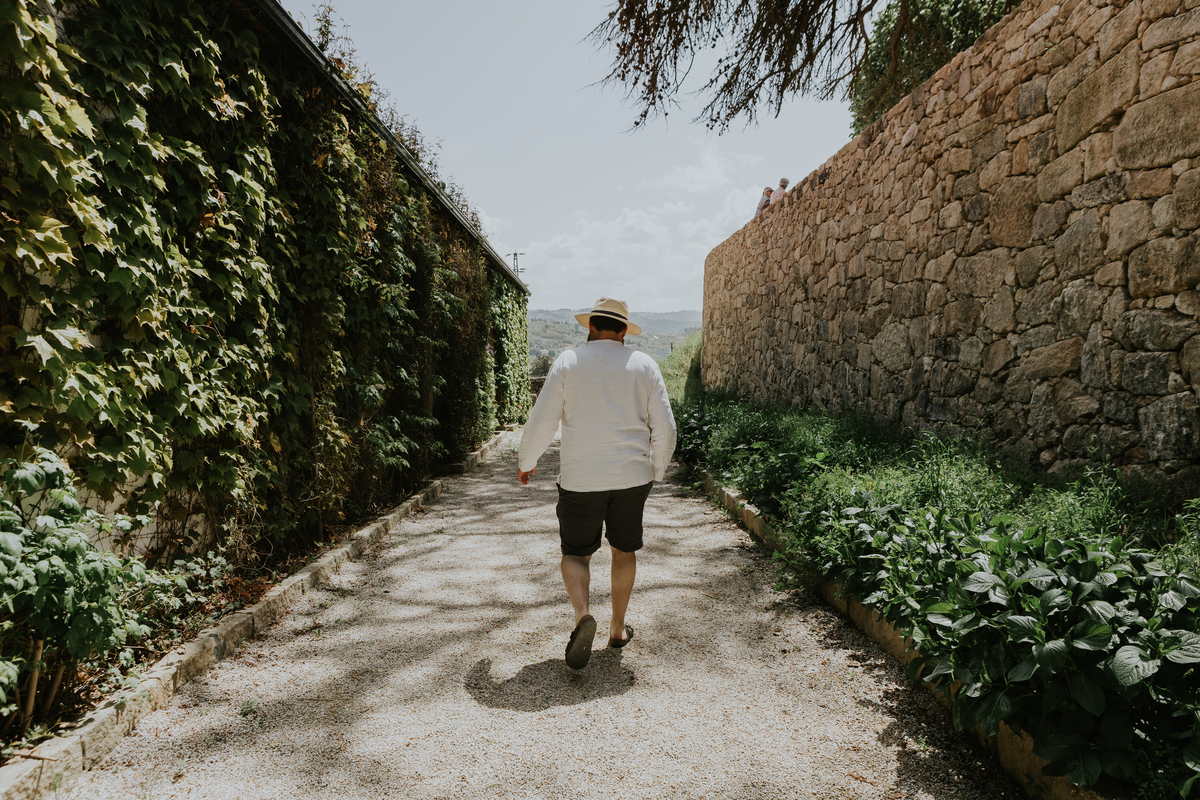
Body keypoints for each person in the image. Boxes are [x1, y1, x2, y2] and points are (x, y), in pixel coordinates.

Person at [517, 297, 677, 670]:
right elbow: (665, 426)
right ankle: (617, 629)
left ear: (589, 327)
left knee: (576, 553)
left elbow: (543, 419)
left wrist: (527, 461)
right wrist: (657, 470)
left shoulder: (568, 361)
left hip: (580, 478)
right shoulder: (645, 364)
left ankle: (582, 616)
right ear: (623, 331)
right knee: (624, 550)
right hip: (631, 479)